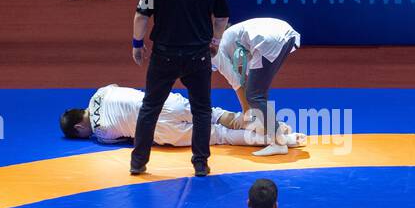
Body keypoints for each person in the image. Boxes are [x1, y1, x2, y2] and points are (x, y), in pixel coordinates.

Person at [129, 0, 227, 177]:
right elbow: (222, 17)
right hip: (198, 55)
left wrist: (137, 44)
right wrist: (215, 42)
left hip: (164, 54)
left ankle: (138, 162)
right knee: (201, 110)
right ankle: (200, 164)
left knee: (150, 107)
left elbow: (141, 15)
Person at [59, 84, 305, 147]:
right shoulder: (101, 91)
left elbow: (129, 139)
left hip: (161, 130)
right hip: (165, 102)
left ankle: (283, 141)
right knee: (216, 114)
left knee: (220, 136)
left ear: (79, 128)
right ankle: (275, 127)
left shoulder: (101, 134)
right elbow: (118, 88)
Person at [211, 17, 302, 157]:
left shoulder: (214, 51)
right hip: (285, 33)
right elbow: (246, 74)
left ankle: (278, 143)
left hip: (268, 39)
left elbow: (236, 81)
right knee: (257, 94)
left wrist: (246, 111)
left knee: (254, 96)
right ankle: (279, 135)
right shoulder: (229, 41)